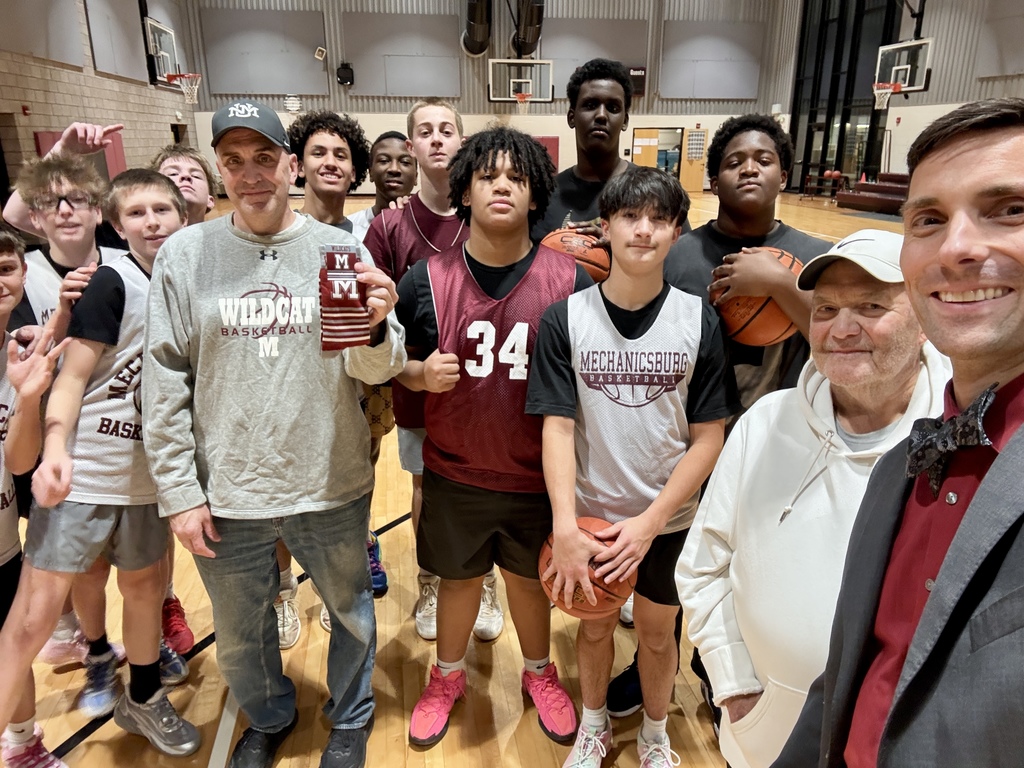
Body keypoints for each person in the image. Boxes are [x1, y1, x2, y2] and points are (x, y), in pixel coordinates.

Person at [143, 99, 405, 768]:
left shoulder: (337, 251)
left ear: (290, 165)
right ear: (220, 171)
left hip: (329, 476)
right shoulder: (185, 255)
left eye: (265, 159)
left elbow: (373, 366)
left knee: (349, 613)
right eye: (234, 161)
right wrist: (178, 491)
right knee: (239, 631)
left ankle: (350, 718)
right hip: (225, 485)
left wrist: (378, 327)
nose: (252, 174)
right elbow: (163, 380)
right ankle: (267, 715)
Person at [772, 97, 1024, 768]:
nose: (960, 246)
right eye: (930, 219)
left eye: (1011, 210)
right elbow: (858, 678)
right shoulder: (907, 467)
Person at [677, 230, 950, 768]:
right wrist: (733, 686)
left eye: (871, 305)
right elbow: (702, 567)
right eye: (826, 308)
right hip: (761, 734)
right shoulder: (764, 422)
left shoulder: (959, 448)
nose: (842, 328)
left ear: (925, 320)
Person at [626, 112, 831, 729]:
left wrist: (776, 283)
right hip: (686, 445)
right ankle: (649, 669)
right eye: (735, 159)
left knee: (751, 574)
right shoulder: (681, 254)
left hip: (778, 448)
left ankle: (727, 685)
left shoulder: (815, 258)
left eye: (764, 159)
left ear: (784, 175)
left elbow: (836, 343)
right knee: (672, 577)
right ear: (713, 177)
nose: (749, 167)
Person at [529, 166, 735, 768]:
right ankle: (593, 726)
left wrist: (650, 523)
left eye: (658, 219)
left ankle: (654, 734)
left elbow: (707, 438)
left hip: (666, 522)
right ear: (607, 228)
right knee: (592, 629)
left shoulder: (700, 320)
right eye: (629, 217)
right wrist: (565, 527)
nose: (643, 230)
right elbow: (557, 427)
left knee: (655, 633)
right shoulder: (563, 320)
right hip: (591, 519)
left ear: (676, 231)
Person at [397, 125, 590, 748]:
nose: (502, 186)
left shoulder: (572, 281)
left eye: (518, 177)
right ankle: (446, 676)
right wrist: (416, 372)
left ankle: (540, 673)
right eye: (487, 176)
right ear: (465, 191)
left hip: (539, 476)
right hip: (456, 470)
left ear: (537, 197)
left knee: (530, 585)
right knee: (458, 584)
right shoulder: (425, 280)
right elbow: (379, 360)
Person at [0, 170, 199, 756]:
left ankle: (142, 698)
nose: (153, 221)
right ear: (116, 225)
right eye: (136, 213)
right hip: (87, 472)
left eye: (163, 209)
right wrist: (56, 449)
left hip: (147, 479)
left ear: (184, 216)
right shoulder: (112, 281)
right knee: (33, 620)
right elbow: (71, 378)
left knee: (143, 589)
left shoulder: (185, 285)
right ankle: (15, 736)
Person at [364, 99, 505, 645]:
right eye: (425, 132)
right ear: (412, 146)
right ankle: (430, 582)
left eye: (448, 129)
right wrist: (414, 369)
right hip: (420, 383)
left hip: (492, 387)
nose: (437, 139)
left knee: (488, 487)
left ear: (463, 140)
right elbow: (375, 311)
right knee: (427, 485)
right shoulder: (390, 225)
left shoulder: (491, 212)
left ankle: (484, 580)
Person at [5, 154, 130, 670]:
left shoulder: (123, 262)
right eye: (49, 203)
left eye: (76, 198)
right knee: (80, 567)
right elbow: (27, 367)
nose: (64, 209)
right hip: (46, 437)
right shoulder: (19, 274)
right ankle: (85, 642)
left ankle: (97, 635)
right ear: (33, 217)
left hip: (118, 438)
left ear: (98, 209)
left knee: (138, 564)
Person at [269, 110, 373, 650]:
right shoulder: (275, 230)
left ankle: (338, 591)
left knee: (346, 497)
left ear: (355, 170)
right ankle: (285, 592)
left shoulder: (363, 234)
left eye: (341, 155)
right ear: (297, 165)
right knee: (279, 506)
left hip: (349, 391)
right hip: (282, 388)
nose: (330, 163)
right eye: (319, 153)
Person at [0, 230, 72, 768]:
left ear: (23, 275)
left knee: (11, 649)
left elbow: (18, 462)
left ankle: (23, 743)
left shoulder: (21, 355)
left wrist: (28, 397)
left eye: (4, 268)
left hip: (3, 540)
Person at [530, 58, 634, 243]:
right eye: (590, 105)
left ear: (624, 120)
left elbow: (678, 264)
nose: (601, 115)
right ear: (571, 117)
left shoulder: (655, 192)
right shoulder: (544, 196)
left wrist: (625, 247)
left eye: (613, 108)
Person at [346, 131, 417, 240]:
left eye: (405, 162)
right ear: (371, 173)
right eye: (384, 160)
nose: (394, 169)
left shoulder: (428, 230)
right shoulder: (349, 230)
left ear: (416, 176)